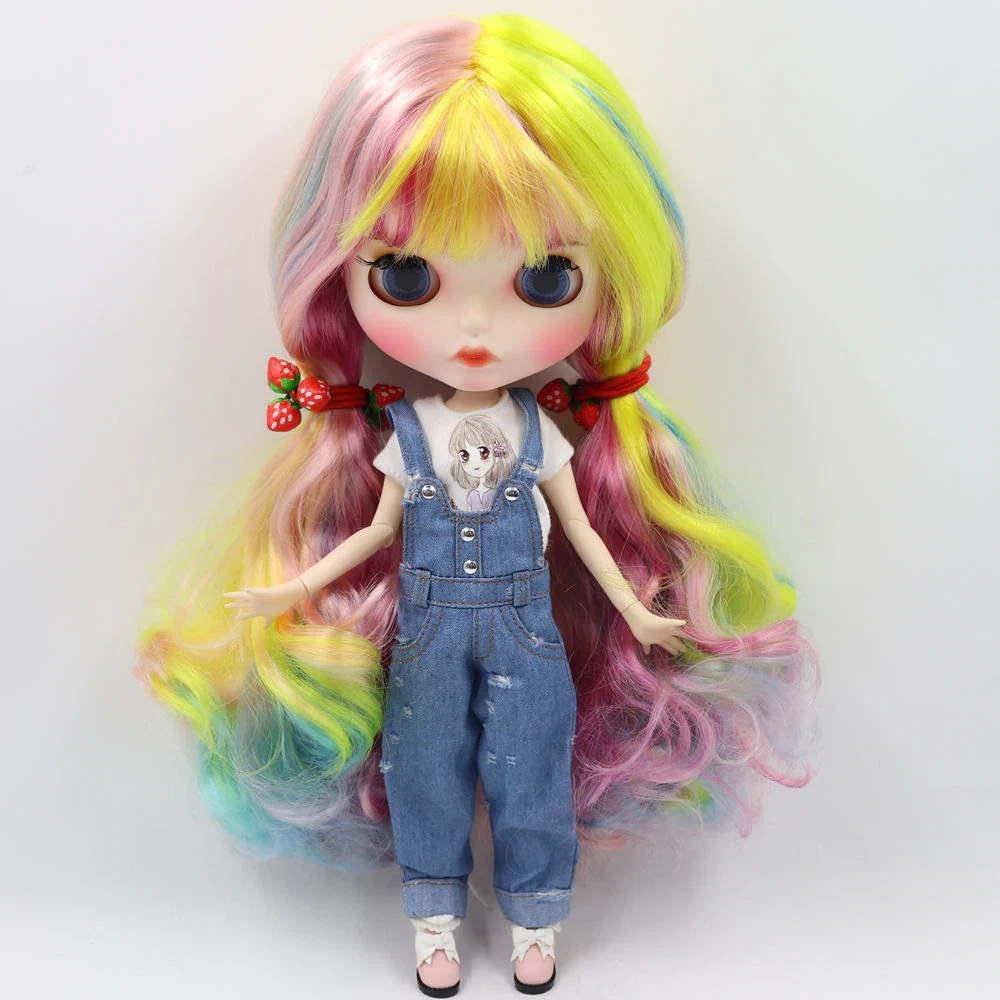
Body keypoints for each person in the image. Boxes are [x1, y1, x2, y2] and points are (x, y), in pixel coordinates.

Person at [136, 14, 818, 997]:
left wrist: (634, 609)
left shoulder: (547, 432)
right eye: (406, 274)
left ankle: (536, 915)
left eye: (544, 277)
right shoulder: (399, 433)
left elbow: (577, 527)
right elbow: (378, 529)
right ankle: (434, 921)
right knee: (423, 770)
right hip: (426, 629)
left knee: (532, 765)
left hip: (526, 627)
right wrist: (292, 589)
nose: (471, 328)